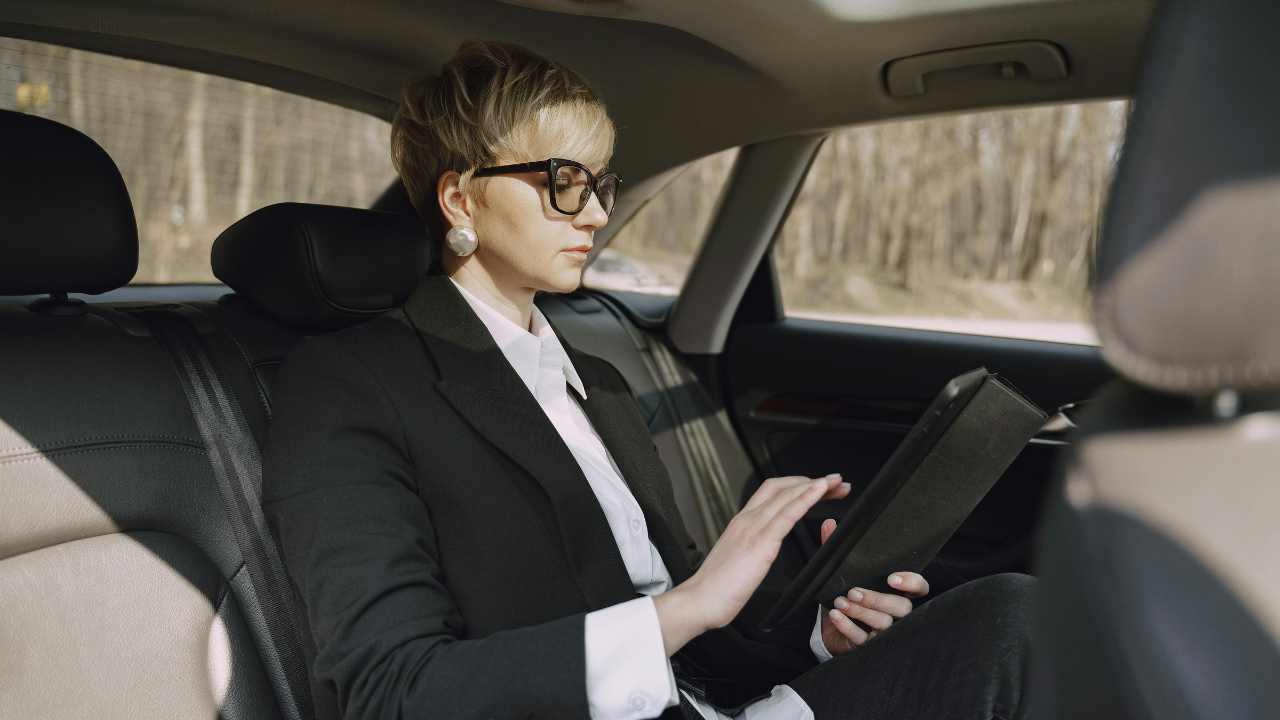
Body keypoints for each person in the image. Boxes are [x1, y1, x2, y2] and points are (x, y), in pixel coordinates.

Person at [261, 39, 1034, 720]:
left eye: (600, 183)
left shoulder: (595, 379)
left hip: (719, 705)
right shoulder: (351, 385)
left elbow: (692, 622)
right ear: (461, 197)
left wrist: (817, 635)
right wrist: (687, 606)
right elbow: (393, 693)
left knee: (1010, 613)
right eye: (565, 180)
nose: (595, 213)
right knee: (1014, 624)